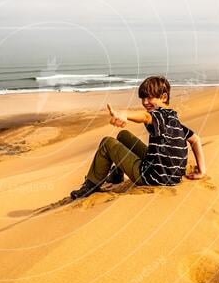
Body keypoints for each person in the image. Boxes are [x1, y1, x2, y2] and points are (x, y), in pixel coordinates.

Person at [70, 75, 206, 199]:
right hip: (171, 176)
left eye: (150, 97)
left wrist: (124, 114)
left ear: (163, 97)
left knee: (107, 143)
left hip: (152, 178)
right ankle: (117, 175)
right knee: (123, 135)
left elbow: (145, 117)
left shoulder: (157, 115)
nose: (145, 102)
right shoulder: (173, 119)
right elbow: (195, 139)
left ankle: (90, 186)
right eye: (143, 98)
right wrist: (202, 171)